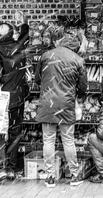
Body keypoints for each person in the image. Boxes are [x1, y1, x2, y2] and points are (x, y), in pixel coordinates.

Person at [34, 30, 87, 188]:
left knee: (48, 140)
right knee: (68, 140)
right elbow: (83, 87)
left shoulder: (46, 56)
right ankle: (74, 175)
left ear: (59, 41)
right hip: (66, 104)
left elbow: (37, 79)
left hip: (47, 103)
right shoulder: (77, 59)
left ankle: (50, 177)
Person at [0, 22, 29, 182]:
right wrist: (24, 22)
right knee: (15, 132)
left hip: (1, 99)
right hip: (17, 97)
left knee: (0, 133)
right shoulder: (19, 47)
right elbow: (25, 34)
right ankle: (11, 167)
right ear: (11, 34)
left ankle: (1, 168)